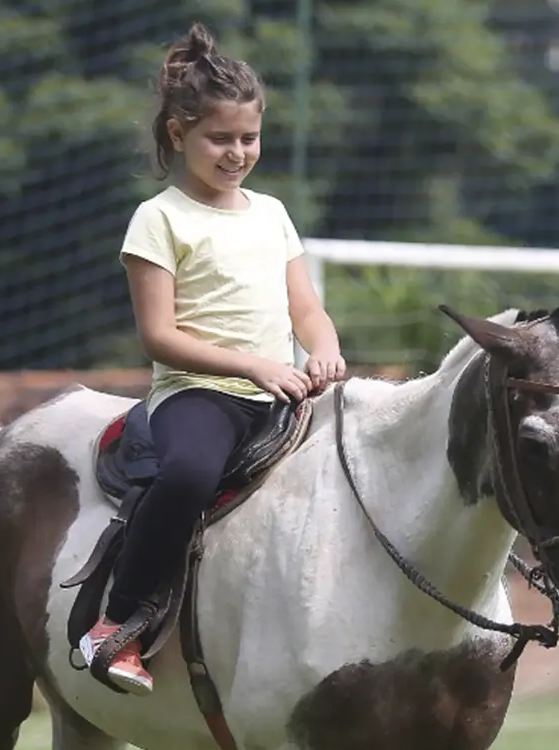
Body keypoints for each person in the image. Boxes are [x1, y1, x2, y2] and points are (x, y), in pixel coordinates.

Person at [78, 23, 348, 694]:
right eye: (219, 139)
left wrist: (325, 347)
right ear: (178, 135)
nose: (236, 153)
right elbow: (159, 336)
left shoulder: (273, 213)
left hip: (284, 394)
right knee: (190, 475)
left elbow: (305, 308)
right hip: (198, 395)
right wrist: (252, 365)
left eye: (248, 139)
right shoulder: (158, 219)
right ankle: (114, 624)